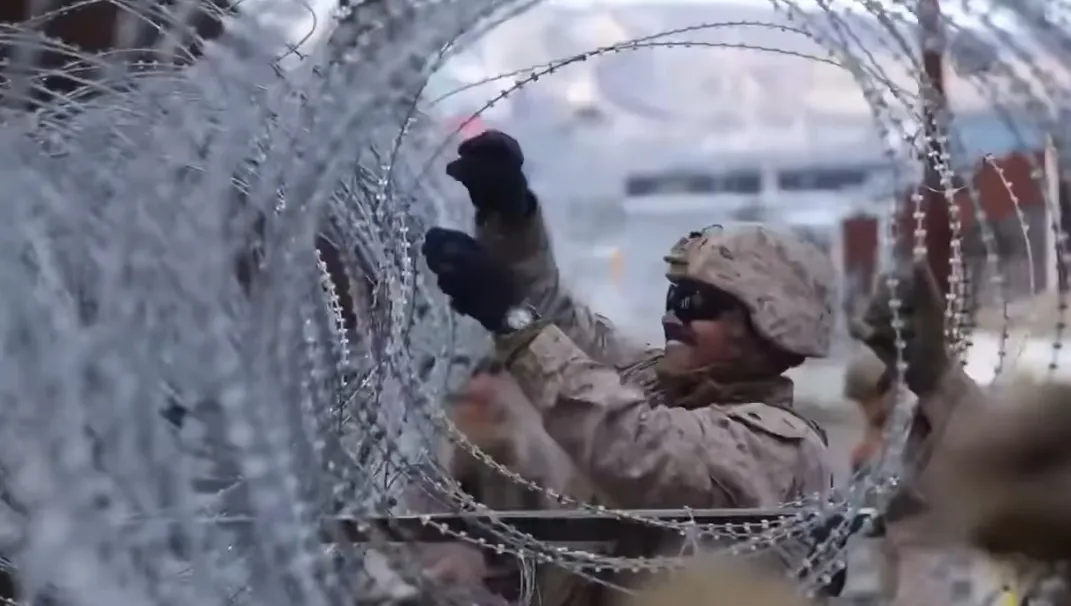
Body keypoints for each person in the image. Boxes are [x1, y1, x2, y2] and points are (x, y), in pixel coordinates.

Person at [419, 130, 835, 602]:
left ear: (764, 326)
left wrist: (512, 319)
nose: (672, 316)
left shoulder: (778, 445)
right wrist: (513, 221)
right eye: (673, 297)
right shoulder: (664, 388)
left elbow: (635, 445)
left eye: (696, 302)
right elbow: (567, 332)